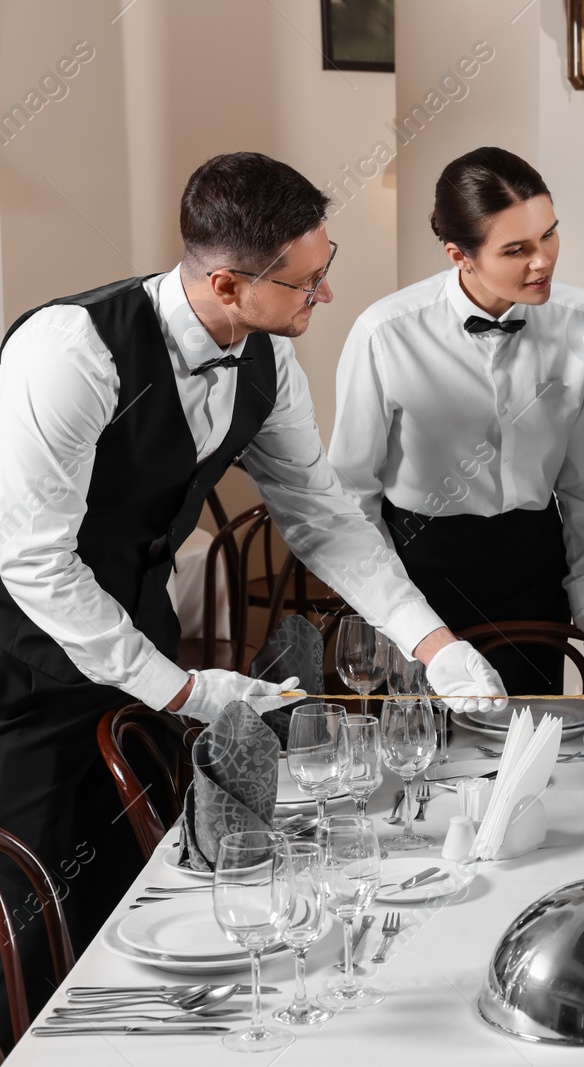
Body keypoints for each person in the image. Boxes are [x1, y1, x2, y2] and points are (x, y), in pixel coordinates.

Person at [0, 152, 506, 1049]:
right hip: (18, 673)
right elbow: (35, 566)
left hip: (136, 658)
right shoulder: (68, 350)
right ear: (229, 283)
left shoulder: (267, 360)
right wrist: (188, 691)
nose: (327, 296)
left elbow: (325, 522)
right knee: (31, 923)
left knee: (147, 893)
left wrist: (435, 644)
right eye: (309, 284)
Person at [330, 147, 584, 695]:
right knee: (424, 764)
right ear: (459, 254)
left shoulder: (579, 321)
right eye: (516, 249)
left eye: (549, 235)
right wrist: (406, 621)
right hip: (420, 573)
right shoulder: (385, 334)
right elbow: (352, 498)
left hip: (534, 568)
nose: (542, 261)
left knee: (533, 756)